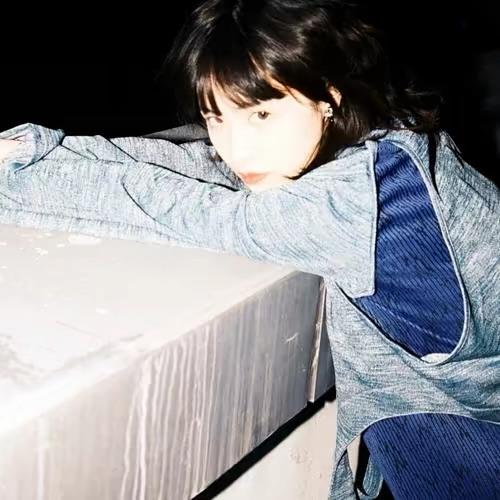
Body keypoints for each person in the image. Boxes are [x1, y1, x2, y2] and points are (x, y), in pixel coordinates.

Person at [0, 1, 499, 498]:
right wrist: (39, 147)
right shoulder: (394, 146)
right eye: (216, 118)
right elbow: (201, 165)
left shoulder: (351, 206)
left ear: (327, 94)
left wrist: (14, 176)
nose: (236, 148)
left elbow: (173, 206)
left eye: (261, 113)